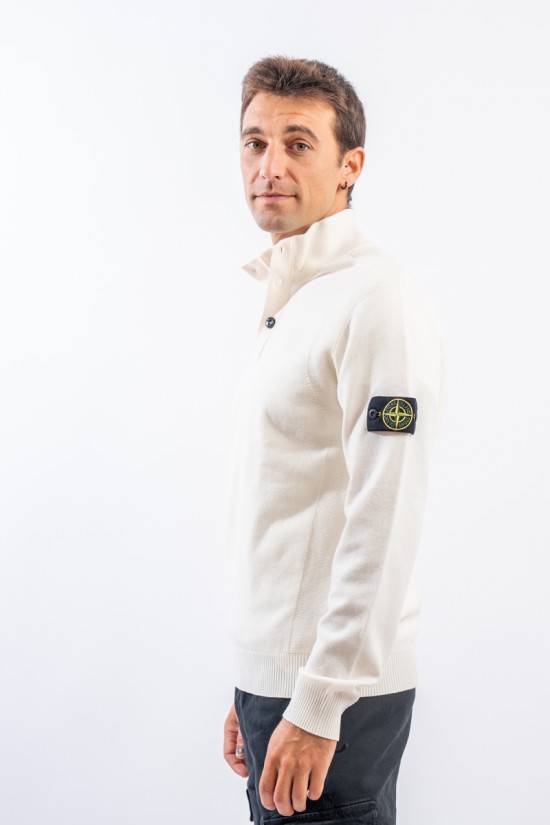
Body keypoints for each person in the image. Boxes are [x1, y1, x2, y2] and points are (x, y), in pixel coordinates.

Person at [222, 56, 444, 825]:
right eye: (255, 143)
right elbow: (290, 504)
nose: (269, 166)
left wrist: (316, 700)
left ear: (351, 166)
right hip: (282, 684)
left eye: (298, 143)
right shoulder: (296, 298)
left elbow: (385, 513)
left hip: (334, 698)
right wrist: (256, 680)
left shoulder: (376, 300)